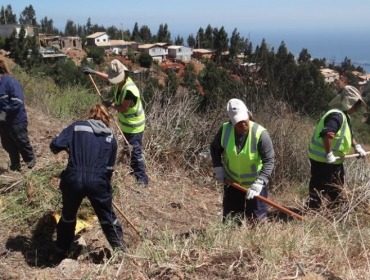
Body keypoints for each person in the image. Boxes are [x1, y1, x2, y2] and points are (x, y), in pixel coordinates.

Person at [50, 104, 126, 259]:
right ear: (106, 119)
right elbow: (109, 169)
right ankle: (122, 252)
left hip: (73, 178)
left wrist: (69, 147)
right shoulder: (111, 138)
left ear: (91, 115)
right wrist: (103, 189)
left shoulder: (77, 127)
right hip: (98, 181)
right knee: (108, 218)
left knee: (68, 216)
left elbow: (55, 145)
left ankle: (59, 251)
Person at [82, 60, 149, 186]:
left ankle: (142, 178)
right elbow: (108, 78)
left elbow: (123, 108)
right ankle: (132, 169)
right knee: (128, 148)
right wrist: (93, 72)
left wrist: (110, 104)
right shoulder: (121, 81)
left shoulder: (129, 90)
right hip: (127, 124)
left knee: (135, 151)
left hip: (134, 126)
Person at [210, 99, 275, 224]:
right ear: (231, 121)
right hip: (232, 183)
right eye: (237, 121)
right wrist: (218, 168)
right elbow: (214, 148)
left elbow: (269, 160)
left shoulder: (260, 133)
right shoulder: (225, 130)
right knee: (231, 220)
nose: (242, 123)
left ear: (248, 114)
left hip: (255, 185)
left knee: (257, 221)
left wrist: (260, 181)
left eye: (244, 118)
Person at [307, 85, 367, 209]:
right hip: (323, 159)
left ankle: (335, 208)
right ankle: (313, 209)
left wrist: (357, 147)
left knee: (336, 184)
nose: (357, 108)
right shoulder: (336, 116)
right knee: (319, 185)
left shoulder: (344, 116)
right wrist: (329, 154)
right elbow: (328, 134)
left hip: (335, 160)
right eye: (356, 105)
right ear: (350, 103)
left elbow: (349, 136)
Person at [0, 59, 36, 171]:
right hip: (3, 121)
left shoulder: (11, 82)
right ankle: (15, 165)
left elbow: (17, 101)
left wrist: (4, 113)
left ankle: (31, 163)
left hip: (16, 120)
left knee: (21, 141)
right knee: (7, 144)